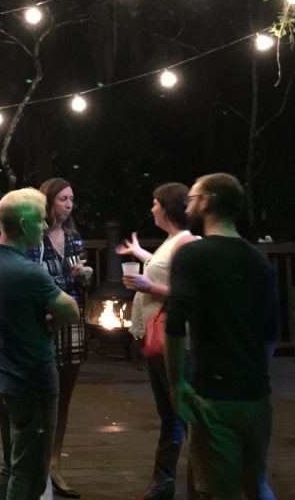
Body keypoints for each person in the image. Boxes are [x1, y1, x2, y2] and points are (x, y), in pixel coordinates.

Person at [166, 173, 279, 500]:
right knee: (257, 485)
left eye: (192, 197)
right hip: (257, 396)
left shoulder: (192, 255)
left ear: (206, 202)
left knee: (220, 491)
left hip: (213, 396)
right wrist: (255, 373)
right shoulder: (258, 259)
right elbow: (270, 332)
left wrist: (177, 383)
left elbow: (176, 324)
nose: (188, 204)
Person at [0, 188, 80, 500]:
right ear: (23, 225)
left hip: (0, 377)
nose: (44, 226)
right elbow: (71, 311)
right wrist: (53, 319)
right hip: (31, 383)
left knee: (11, 464)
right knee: (30, 475)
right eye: (39, 220)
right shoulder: (28, 272)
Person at [118, 183, 198, 500]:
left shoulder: (188, 242)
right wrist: (141, 255)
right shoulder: (171, 241)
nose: (151, 208)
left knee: (185, 416)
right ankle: (163, 484)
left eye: (155, 203)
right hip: (158, 338)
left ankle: (202, 485)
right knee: (169, 415)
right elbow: (167, 271)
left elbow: (191, 292)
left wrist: (148, 287)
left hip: (178, 343)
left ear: (167, 208)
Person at [29, 178, 93, 499]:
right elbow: (30, 279)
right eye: (63, 199)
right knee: (42, 393)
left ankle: (54, 463)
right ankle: (37, 466)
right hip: (45, 322)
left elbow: (80, 280)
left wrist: (83, 276)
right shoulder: (34, 237)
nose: (69, 205)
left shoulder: (74, 238)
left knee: (64, 396)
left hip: (71, 319)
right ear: (48, 201)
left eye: (71, 199)